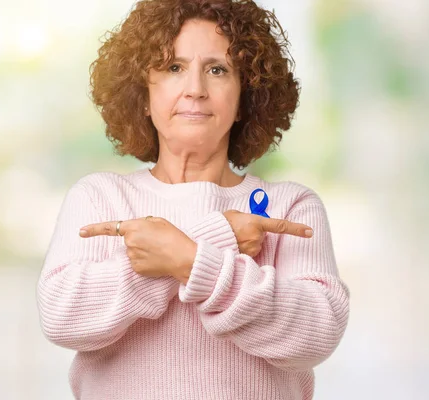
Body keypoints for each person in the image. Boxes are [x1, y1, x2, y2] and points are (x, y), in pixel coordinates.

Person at [36, 0, 350, 399]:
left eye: (217, 70)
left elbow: (315, 336)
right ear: (143, 96)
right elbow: (63, 318)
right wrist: (219, 237)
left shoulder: (287, 206)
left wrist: (185, 258)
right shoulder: (101, 198)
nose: (196, 90)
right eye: (173, 68)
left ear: (245, 97)